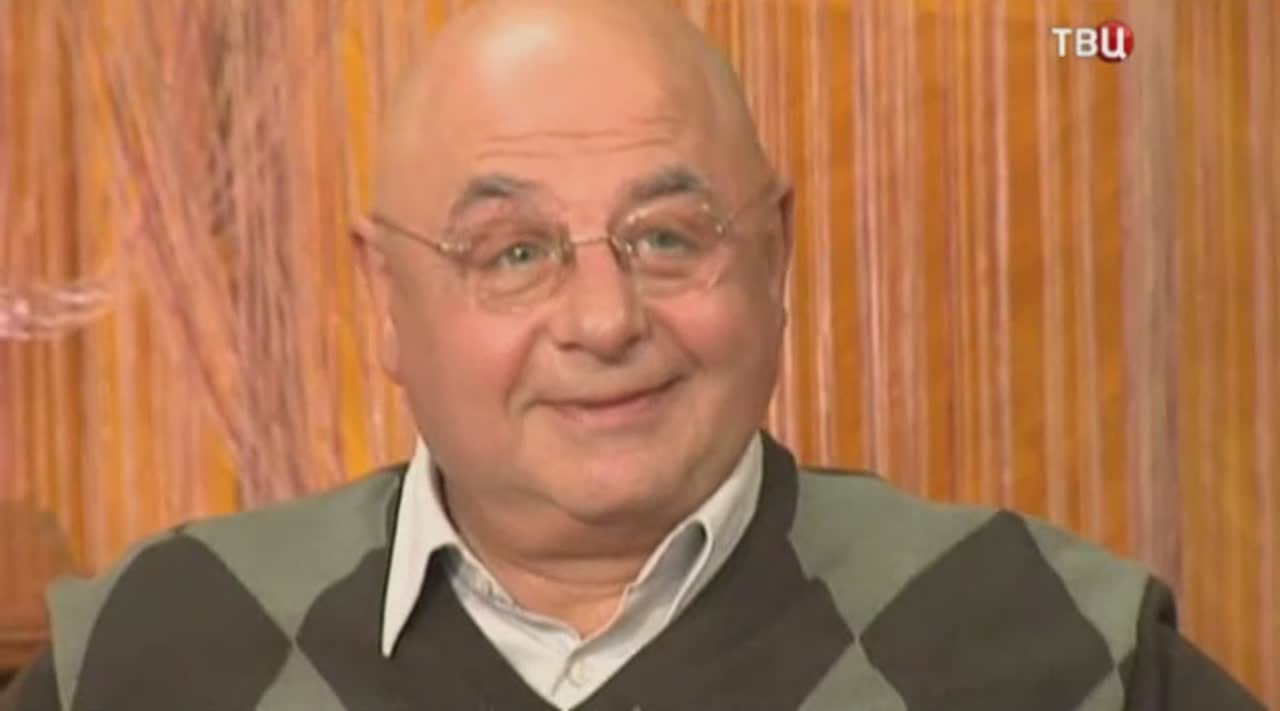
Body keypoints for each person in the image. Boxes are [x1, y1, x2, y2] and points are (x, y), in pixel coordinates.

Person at [1, 1, 1264, 709]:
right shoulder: (155, 651)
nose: (602, 321)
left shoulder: (1055, 648)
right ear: (385, 298)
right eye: (511, 252)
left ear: (773, 255)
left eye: (666, 237)